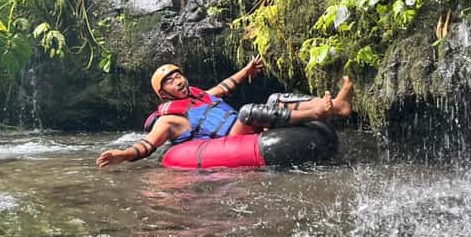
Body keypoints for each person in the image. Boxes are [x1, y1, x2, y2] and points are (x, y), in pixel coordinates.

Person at [96, 56, 353, 168]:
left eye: (179, 76)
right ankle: (316, 113)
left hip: (240, 130)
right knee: (247, 111)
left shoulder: (199, 96)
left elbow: (225, 86)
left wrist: (247, 70)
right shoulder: (169, 119)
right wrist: (123, 155)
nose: (179, 81)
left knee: (274, 98)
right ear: (164, 94)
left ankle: (337, 106)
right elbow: (148, 144)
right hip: (229, 139)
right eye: (171, 82)